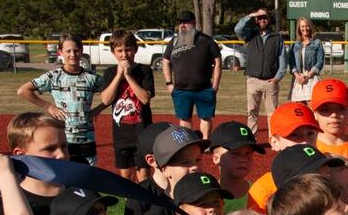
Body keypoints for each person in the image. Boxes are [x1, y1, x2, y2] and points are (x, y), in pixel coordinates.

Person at [18, 34, 103, 166]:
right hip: (62, 139)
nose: (72, 54)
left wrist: (98, 109)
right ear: (60, 52)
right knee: (64, 178)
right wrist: (48, 106)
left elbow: (113, 92)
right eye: (68, 51)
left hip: (86, 138)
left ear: (81, 51)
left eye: (76, 50)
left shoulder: (91, 77)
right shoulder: (54, 76)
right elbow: (23, 90)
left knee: (88, 177)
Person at [98, 29, 155, 182]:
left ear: (135, 49)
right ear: (113, 52)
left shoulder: (144, 71)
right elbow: (106, 99)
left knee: (143, 175)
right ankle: (130, 205)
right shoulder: (110, 73)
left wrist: (128, 76)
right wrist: (118, 75)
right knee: (126, 176)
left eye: (128, 50)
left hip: (141, 131)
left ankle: (144, 204)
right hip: (121, 133)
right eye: (120, 51)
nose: (124, 54)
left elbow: (145, 99)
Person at [247, 102, 322, 214]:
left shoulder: (327, 176)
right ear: (275, 142)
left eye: (310, 134)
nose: (305, 141)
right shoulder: (263, 190)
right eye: (294, 135)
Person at [163, 11, 222, 141]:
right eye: (180, 22)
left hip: (204, 88)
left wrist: (215, 85)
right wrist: (169, 83)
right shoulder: (174, 41)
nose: (182, 25)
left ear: (194, 22)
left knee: (205, 117)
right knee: (184, 118)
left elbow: (217, 62)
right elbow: (166, 62)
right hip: (181, 89)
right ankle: (187, 143)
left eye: (186, 21)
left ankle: (205, 142)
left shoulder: (206, 41)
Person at [236, 8, 287, 135]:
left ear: (269, 19)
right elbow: (238, 29)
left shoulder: (277, 37)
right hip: (253, 80)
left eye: (265, 17)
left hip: (270, 80)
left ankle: (273, 139)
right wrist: (252, 15)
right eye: (260, 17)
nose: (262, 20)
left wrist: (277, 78)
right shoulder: (251, 34)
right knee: (252, 112)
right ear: (256, 20)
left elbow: (282, 59)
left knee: (272, 113)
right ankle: (252, 138)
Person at [210, 120, 265, 210]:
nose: (243, 159)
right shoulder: (208, 197)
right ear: (216, 158)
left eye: (248, 153)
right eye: (235, 153)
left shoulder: (259, 192)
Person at [287, 17, 324, 102]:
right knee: (299, 111)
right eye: (302, 26)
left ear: (310, 27)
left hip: (312, 78)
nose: (305, 28)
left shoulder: (317, 43)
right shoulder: (295, 45)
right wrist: (297, 75)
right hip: (298, 79)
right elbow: (291, 62)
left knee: (312, 108)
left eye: (307, 26)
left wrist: (309, 74)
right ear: (299, 28)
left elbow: (320, 61)